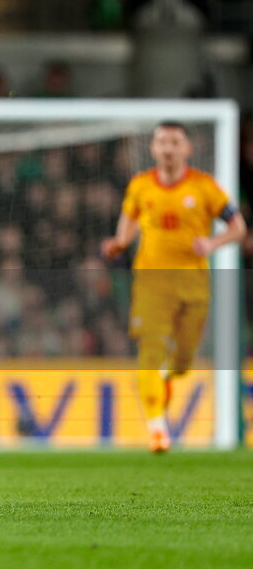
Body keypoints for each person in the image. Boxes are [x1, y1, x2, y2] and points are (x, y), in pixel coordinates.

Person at [101, 121, 245, 453]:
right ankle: (157, 429)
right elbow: (130, 216)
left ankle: (166, 381)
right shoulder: (140, 185)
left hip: (193, 283)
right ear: (153, 149)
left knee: (182, 362)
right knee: (150, 350)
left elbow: (238, 227)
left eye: (174, 142)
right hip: (151, 280)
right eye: (162, 141)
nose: (168, 148)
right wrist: (121, 241)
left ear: (187, 148)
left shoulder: (204, 187)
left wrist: (212, 243)